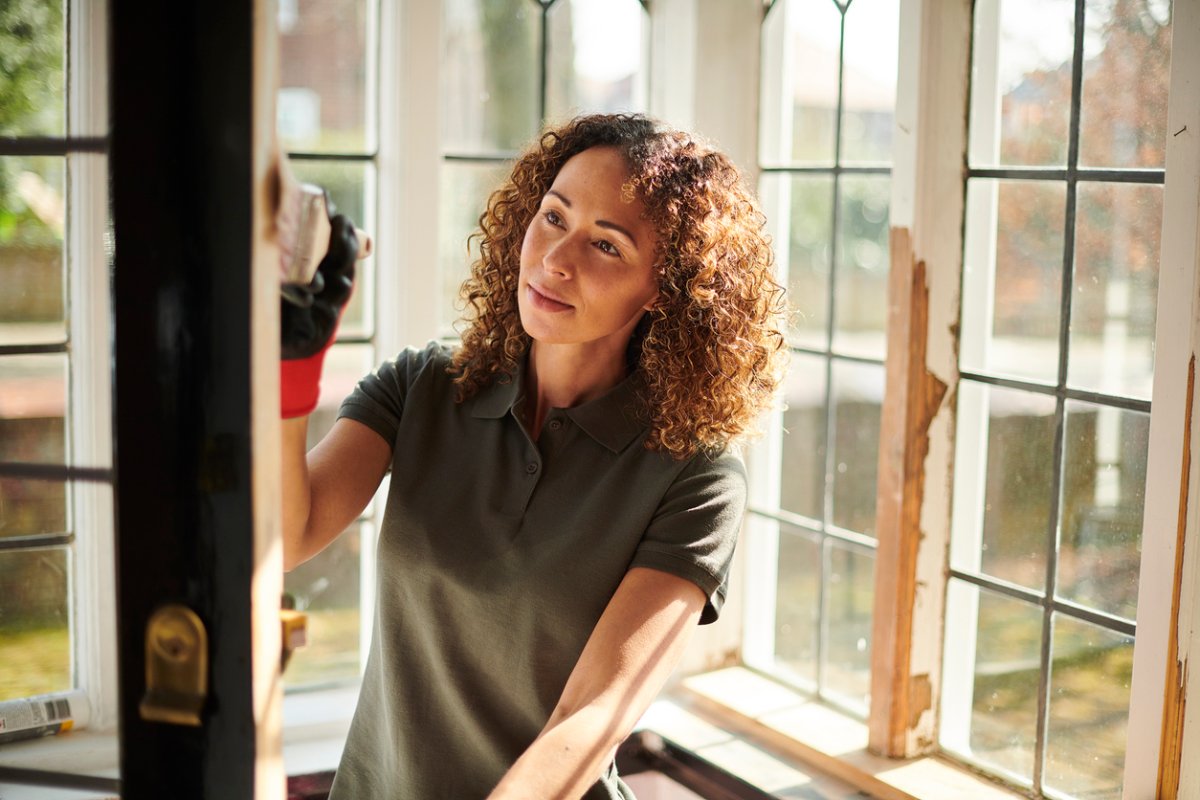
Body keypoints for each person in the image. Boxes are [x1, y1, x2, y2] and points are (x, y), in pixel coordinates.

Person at [279, 113, 787, 799]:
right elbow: (286, 535)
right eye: (553, 217)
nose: (556, 260)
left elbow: (595, 715)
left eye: (607, 247)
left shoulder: (695, 476)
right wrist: (291, 368)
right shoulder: (426, 386)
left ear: (667, 289)